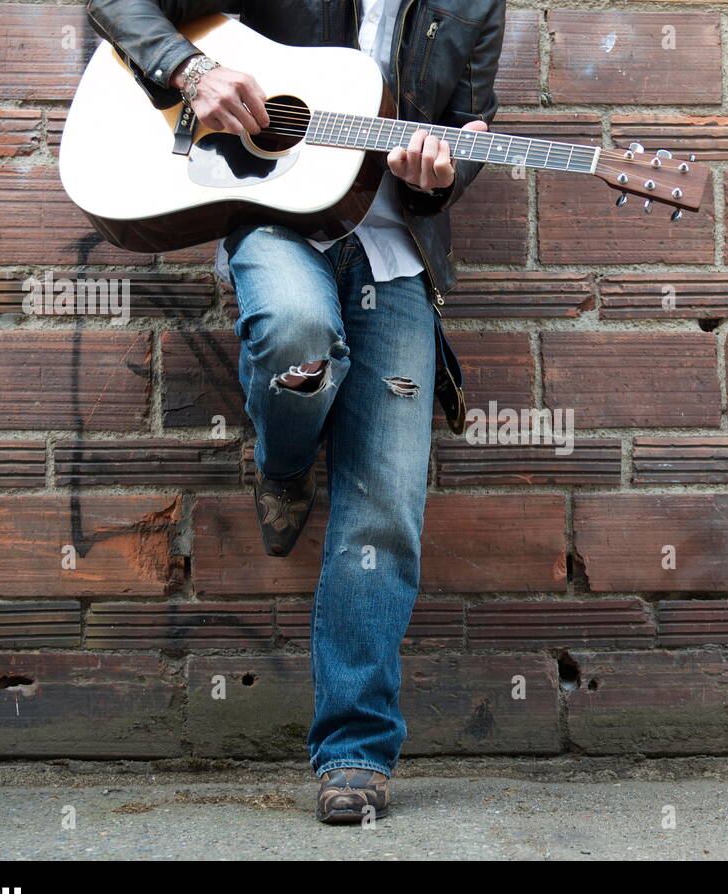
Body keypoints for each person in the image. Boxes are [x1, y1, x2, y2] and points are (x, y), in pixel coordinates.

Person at [86, 0, 504, 824]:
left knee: (384, 509)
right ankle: (282, 464)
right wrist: (194, 71)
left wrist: (442, 174)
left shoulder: (476, 5)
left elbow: (464, 133)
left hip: (392, 252)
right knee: (297, 334)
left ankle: (354, 752)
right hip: (271, 219)